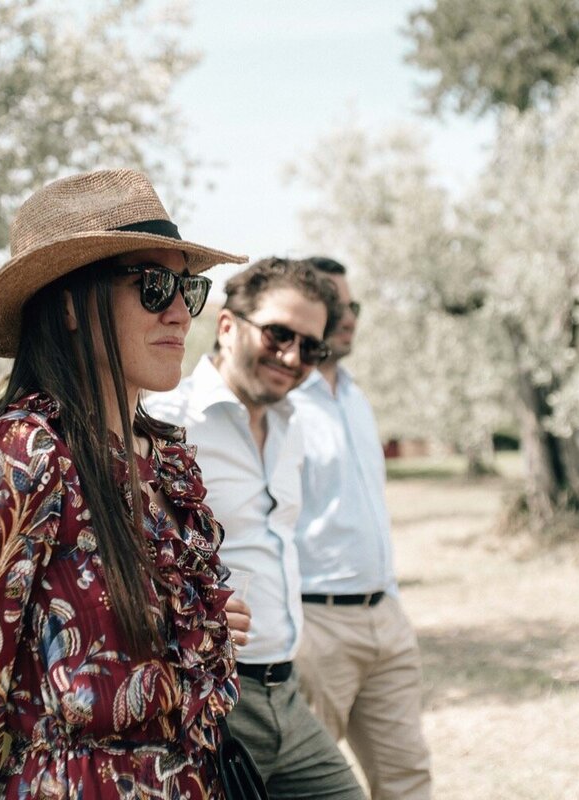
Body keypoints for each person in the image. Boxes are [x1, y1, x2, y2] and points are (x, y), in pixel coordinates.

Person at [0, 168, 252, 799]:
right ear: (68, 303)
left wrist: (201, 627)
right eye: (151, 285)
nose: (179, 310)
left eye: (187, 288)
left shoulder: (164, 460)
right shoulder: (20, 458)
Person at [146, 257, 365, 800]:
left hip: (287, 693)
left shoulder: (293, 424)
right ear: (227, 325)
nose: (293, 357)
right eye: (278, 334)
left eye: (310, 347)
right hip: (209, 698)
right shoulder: (163, 418)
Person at [290, 256, 431, 800]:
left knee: (408, 779)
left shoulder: (356, 397)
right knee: (312, 790)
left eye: (354, 306)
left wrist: (392, 603)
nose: (348, 317)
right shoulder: (281, 405)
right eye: (335, 305)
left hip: (386, 622)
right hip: (317, 628)